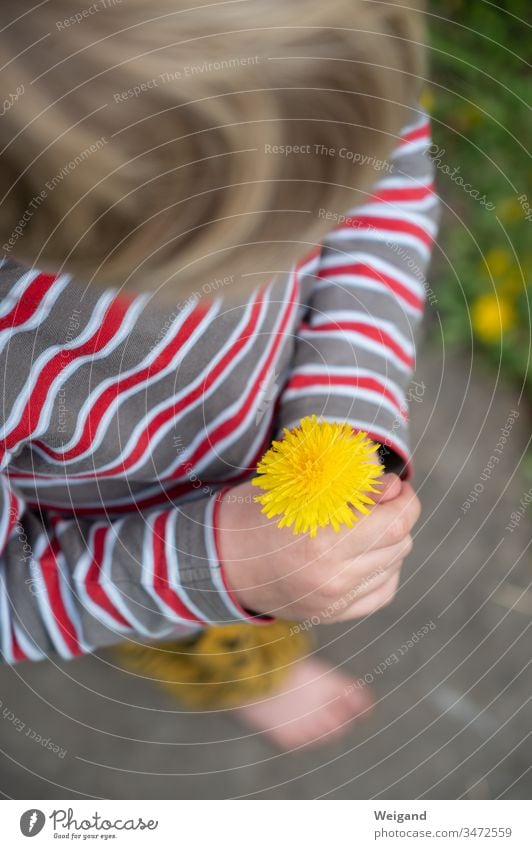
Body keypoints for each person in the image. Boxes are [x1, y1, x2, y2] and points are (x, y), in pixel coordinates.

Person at [0, 0, 438, 749]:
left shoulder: (313, 71)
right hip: (126, 534)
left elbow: (390, 180)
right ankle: (249, 673)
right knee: (209, 633)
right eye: (271, 240)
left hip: (256, 462)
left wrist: (345, 395)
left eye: (324, 202)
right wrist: (218, 565)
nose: (312, 248)